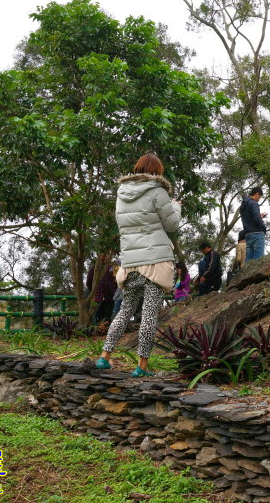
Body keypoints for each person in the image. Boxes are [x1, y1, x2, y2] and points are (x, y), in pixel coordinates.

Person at [97, 153, 181, 377]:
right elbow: (172, 224)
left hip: (131, 262)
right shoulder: (157, 191)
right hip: (154, 262)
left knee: (125, 311)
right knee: (149, 314)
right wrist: (176, 207)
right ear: (158, 172)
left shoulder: (121, 194)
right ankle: (142, 366)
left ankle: (105, 357)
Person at [86, 253, 118, 324]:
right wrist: (93, 293)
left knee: (107, 318)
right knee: (97, 317)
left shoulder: (114, 268)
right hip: (97, 298)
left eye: (106, 256)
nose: (104, 258)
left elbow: (117, 281)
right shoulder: (94, 269)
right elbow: (88, 283)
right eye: (102, 256)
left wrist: (113, 290)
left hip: (109, 298)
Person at [241, 186, 267, 261]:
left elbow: (249, 217)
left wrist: (259, 216)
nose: (259, 200)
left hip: (248, 234)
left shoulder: (243, 204)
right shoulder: (254, 203)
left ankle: (247, 273)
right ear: (257, 194)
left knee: (248, 260)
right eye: (260, 197)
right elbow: (256, 219)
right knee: (258, 260)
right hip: (257, 233)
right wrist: (264, 227)